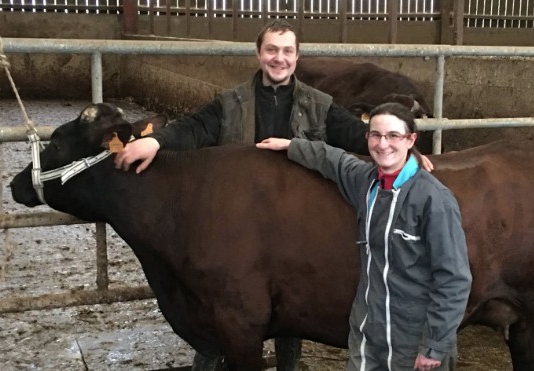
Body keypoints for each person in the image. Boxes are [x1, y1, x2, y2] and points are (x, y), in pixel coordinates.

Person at [114, 18, 432, 371]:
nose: (278, 58)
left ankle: (288, 364)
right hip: (239, 230)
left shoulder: (318, 103)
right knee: (223, 306)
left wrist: (400, 151)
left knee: (288, 303)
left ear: (296, 57)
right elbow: (194, 128)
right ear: (258, 54)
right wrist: (155, 141)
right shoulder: (232, 102)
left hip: (291, 226)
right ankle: (210, 352)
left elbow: (354, 134)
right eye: (271, 50)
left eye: (287, 51)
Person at [257, 102, 471, 371]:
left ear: (410, 140)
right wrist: (292, 146)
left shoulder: (433, 200)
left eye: (393, 136)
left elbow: (454, 279)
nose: (383, 144)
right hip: (369, 331)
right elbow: (334, 160)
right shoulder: (366, 181)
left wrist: (434, 346)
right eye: (376, 135)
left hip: (413, 341)